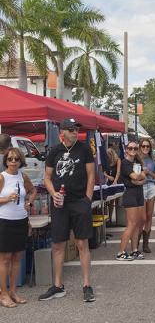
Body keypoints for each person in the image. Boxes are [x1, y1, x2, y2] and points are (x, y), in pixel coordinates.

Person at [40, 118, 95, 302]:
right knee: (58, 244)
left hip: (79, 201)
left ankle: (87, 285)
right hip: (60, 203)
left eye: (76, 129)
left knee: (81, 243)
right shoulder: (54, 151)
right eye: (71, 129)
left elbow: (91, 175)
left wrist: (87, 199)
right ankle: (57, 285)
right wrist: (53, 193)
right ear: (62, 132)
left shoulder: (84, 148)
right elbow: (47, 177)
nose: (75, 132)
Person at [0, 148, 36, 307]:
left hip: (20, 220)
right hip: (5, 221)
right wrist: (6, 199)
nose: (13, 162)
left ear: (21, 161)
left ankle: (13, 291)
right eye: (10, 159)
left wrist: (29, 202)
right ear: (5, 161)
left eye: (16, 159)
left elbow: (33, 190)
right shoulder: (2, 177)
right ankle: (4, 294)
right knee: (4, 259)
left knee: (17, 258)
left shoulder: (23, 176)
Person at [116, 140, 146, 261]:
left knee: (138, 224)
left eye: (135, 148)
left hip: (139, 192)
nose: (133, 150)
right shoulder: (124, 163)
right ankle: (121, 252)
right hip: (130, 194)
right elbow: (135, 177)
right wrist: (140, 176)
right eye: (130, 148)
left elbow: (143, 178)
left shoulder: (138, 162)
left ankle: (134, 250)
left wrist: (140, 178)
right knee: (132, 224)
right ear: (126, 150)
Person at [139, 139, 155, 253]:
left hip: (151, 186)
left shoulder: (154, 160)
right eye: (143, 146)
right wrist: (142, 174)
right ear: (140, 147)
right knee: (141, 218)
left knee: (149, 216)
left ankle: (145, 244)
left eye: (148, 146)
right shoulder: (136, 159)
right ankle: (136, 242)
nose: (146, 148)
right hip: (140, 187)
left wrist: (148, 172)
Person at [104, 147, 121, 223]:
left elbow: (118, 172)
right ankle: (108, 218)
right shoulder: (107, 162)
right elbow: (108, 176)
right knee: (108, 201)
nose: (108, 158)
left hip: (117, 182)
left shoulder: (118, 160)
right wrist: (108, 177)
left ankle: (113, 218)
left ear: (112, 155)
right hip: (110, 182)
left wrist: (115, 181)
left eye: (108, 156)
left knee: (115, 201)